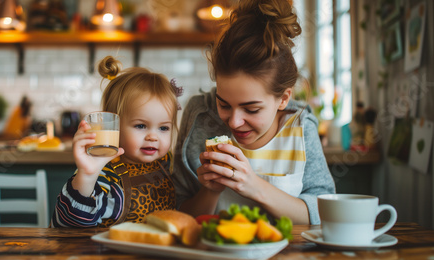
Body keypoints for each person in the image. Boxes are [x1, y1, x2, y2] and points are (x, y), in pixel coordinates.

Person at [173, 0, 335, 225]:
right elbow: (176, 212)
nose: (235, 122)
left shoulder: (300, 127)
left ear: (284, 98)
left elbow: (325, 212)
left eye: (251, 109)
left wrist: (254, 186)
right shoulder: (200, 116)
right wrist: (210, 191)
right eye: (224, 104)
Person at [51, 56, 180, 228]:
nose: (153, 137)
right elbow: (70, 225)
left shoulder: (166, 163)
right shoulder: (105, 172)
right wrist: (87, 175)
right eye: (141, 126)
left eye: (163, 128)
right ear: (114, 127)